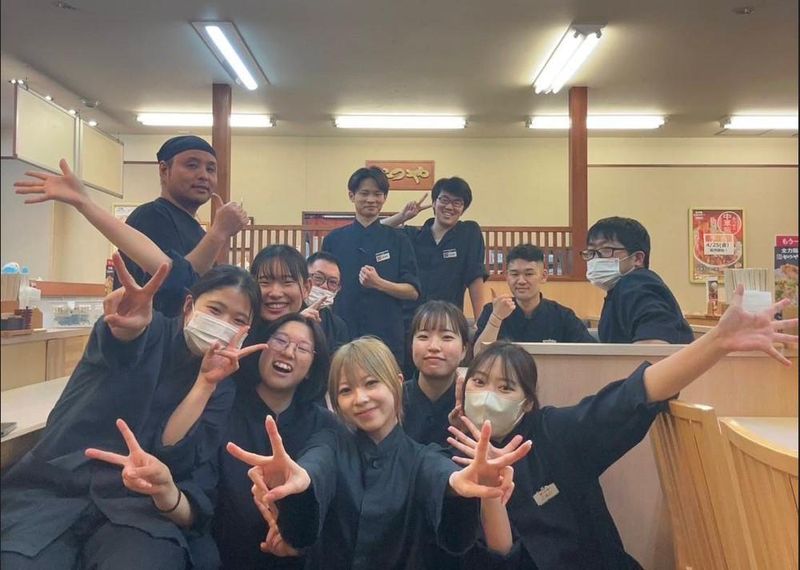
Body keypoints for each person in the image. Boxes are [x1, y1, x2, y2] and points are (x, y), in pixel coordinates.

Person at [447, 287, 798, 569]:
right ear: (463, 390)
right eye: (480, 382)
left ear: (527, 402)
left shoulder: (555, 433)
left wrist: (717, 341)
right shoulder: (446, 459)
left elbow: (634, 395)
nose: (489, 395)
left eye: (506, 387)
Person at [0, 258, 267, 569]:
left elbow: (174, 452)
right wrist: (125, 328)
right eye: (215, 310)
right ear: (189, 306)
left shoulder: (222, 386)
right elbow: (119, 345)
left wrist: (205, 383)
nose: (223, 325)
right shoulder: (146, 329)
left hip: (136, 509)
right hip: (57, 488)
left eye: (237, 320)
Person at [227, 337, 532, 569]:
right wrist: (299, 482)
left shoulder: (423, 457)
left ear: (397, 384)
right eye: (346, 390)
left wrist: (456, 487)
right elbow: (315, 465)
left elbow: (441, 476)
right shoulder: (329, 444)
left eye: (371, 383)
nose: (360, 398)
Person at [120, 135, 249, 316]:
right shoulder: (151, 215)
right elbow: (175, 288)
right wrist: (219, 232)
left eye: (210, 169)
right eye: (192, 165)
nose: (203, 175)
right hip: (148, 331)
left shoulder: (197, 230)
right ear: (164, 170)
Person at [321, 167, 420, 368]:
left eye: (377, 194)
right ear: (352, 196)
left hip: (387, 335)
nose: (371, 200)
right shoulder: (334, 240)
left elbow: (413, 291)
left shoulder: (399, 240)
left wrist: (379, 283)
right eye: (364, 193)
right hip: (343, 333)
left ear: (385, 198)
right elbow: (322, 289)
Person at [382, 177, 489, 313]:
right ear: (434, 203)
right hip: (411, 317)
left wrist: (480, 320)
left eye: (457, 203)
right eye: (444, 200)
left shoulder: (469, 232)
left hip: (448, 317)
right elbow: (377, 230)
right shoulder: (412, 235)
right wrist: (402, 216)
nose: (449, 207)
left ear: (463, 209)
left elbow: (475, 276)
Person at [583, 217, 693, 344]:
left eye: (606, 250)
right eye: (591, 252)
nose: (596, 259)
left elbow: (654, 345)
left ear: (637, 258)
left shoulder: (636, 284)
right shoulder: (618, 290)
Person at [474, 244, 595, 353]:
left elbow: (591, 353)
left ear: (543, 276)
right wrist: (496, 318)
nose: (521, 281)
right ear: (507, 276)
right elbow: (478, 356)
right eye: (514, 274)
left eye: (529, 274)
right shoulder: (493, 311)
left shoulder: (563, 316)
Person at [246, 245, 349, 357]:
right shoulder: (243, 325)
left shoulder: (323, 327)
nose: (275, 293)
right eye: (264, 282)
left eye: (287, 282)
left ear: (306, 288)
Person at [403, 301, 469, 448]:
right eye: (423, 336)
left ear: (464, 350)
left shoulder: (473, 404)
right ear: (411, 345)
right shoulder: (393, 401)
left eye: (446, 337)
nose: (433, 347)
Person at [305, 251, 351, 351]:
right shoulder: (285, 311)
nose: (324, 286)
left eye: (332, 282)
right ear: (304, 278)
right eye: (318, 278)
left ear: (338, 288)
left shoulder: (338, 326)